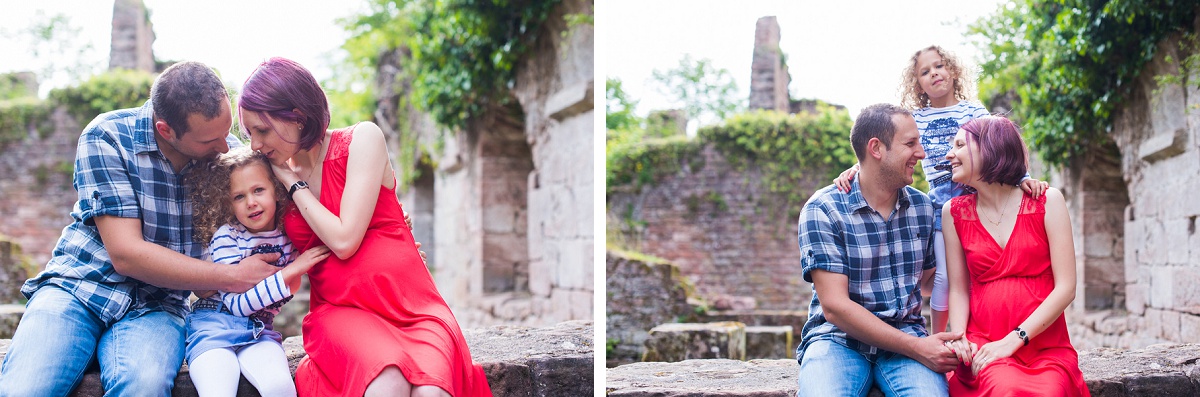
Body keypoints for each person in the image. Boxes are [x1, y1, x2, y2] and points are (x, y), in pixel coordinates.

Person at [0, 61, 283, 396]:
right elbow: (127, 255)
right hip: (79, 289)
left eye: (227, 131)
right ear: (166, 130)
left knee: (144, 386)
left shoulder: (230, 157)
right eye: (210, 139)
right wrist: (232, 276)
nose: (226, 146)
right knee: (27, 389)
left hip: (158, 305)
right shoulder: (107, 136)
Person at [237, 57, 492, 397]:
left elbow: (345, 239)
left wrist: (292, 182)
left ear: (297, 117)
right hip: (342, 312)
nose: (255, 144)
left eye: (262, 130)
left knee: (434, 393)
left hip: (411, 308)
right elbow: (221, 172)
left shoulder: (362, 139)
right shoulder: (267, 177)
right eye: (249, 133)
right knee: (384, 384)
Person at [834, 45, 1049, 334]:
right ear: (917, 83)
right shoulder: (916, 118)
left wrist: (1023, 177)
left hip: (975, 196)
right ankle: (938, 335)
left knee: (977, 271)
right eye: (925, 71)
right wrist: (858, 168)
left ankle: (981, 330)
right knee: (944, 278)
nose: (934, 73)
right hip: (941, 203)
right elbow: (889, 147)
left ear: (953, 70)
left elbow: (999, 144)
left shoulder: (973, 110)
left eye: (939, 66)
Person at [796, 103, 960, 397]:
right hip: (837, 341)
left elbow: (928, 282)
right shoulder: (823, 209)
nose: (921, 153)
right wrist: (920, 347)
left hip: (906, 337)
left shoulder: (922, 208)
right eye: (910, 143)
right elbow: (835, 307)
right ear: (876, 148)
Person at [941, 116, 1089, 396]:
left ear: (990, 148)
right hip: (984, 344)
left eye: (960, 145)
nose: (950, 154)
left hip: (1045, 346)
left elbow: (1066, 288)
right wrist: (959, 337)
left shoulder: (1048, 201)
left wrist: (1015, 339)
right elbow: (959, 288)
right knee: (1005, 389)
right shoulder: (954, 212)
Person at [183, 147, 332, 397]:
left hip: (259, 330)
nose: (251, 202)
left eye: (258, 190)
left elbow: (334, 232)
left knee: (280, 387)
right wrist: (292, 270)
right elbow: (238, 305)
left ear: (276, 190)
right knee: (217, 390)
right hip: (214, 326)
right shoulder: (226, 237)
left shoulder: (289, 235)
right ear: (227, 203)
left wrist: (390, 229)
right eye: (238, 196)